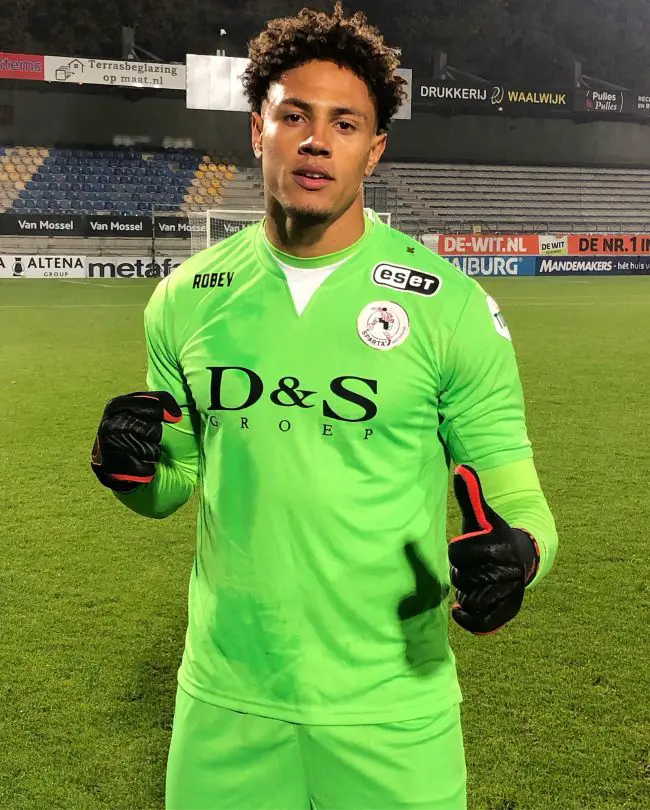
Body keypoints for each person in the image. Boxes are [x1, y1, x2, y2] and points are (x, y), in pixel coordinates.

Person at [90, 3, 558, 808]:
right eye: (294, 116)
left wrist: (519, 555)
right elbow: (174, 485)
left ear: (373, 150)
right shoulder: (185, 299)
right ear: (257, 130)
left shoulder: (449, 307)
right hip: (226, 708)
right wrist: (130, 473)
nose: (316, 140)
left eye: (345, 124)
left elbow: (522, 501)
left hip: (393, 714)